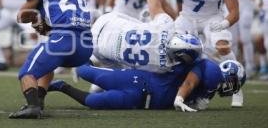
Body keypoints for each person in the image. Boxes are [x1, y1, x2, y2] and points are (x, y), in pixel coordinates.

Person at [151, 0, 243, 107]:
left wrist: (223, 24)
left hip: (212, 17)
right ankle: (176, 87)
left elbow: (235, 12)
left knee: (221, 47)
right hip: (187, 16)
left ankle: (235, 87)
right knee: (170, 47)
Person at [8, 0, 93, 119]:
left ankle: (32, 106)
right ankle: (39, 100)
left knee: (26, 73)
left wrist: (34, 17)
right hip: (85, 44)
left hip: (63, 40)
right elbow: (62, 18)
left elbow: (21, 15)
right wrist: (46, 26)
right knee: (48, 66)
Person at [48, 58, 245, 111]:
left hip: (139, 101)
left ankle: (61, 86)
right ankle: (81, 57)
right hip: (138, 81)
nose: (232, 87)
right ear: (229, 74)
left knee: (92, 102)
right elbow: (189, 81)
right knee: (86, 72)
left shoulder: (208, 91)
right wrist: (180, 98)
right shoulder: (210, 69)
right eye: (234, 82)